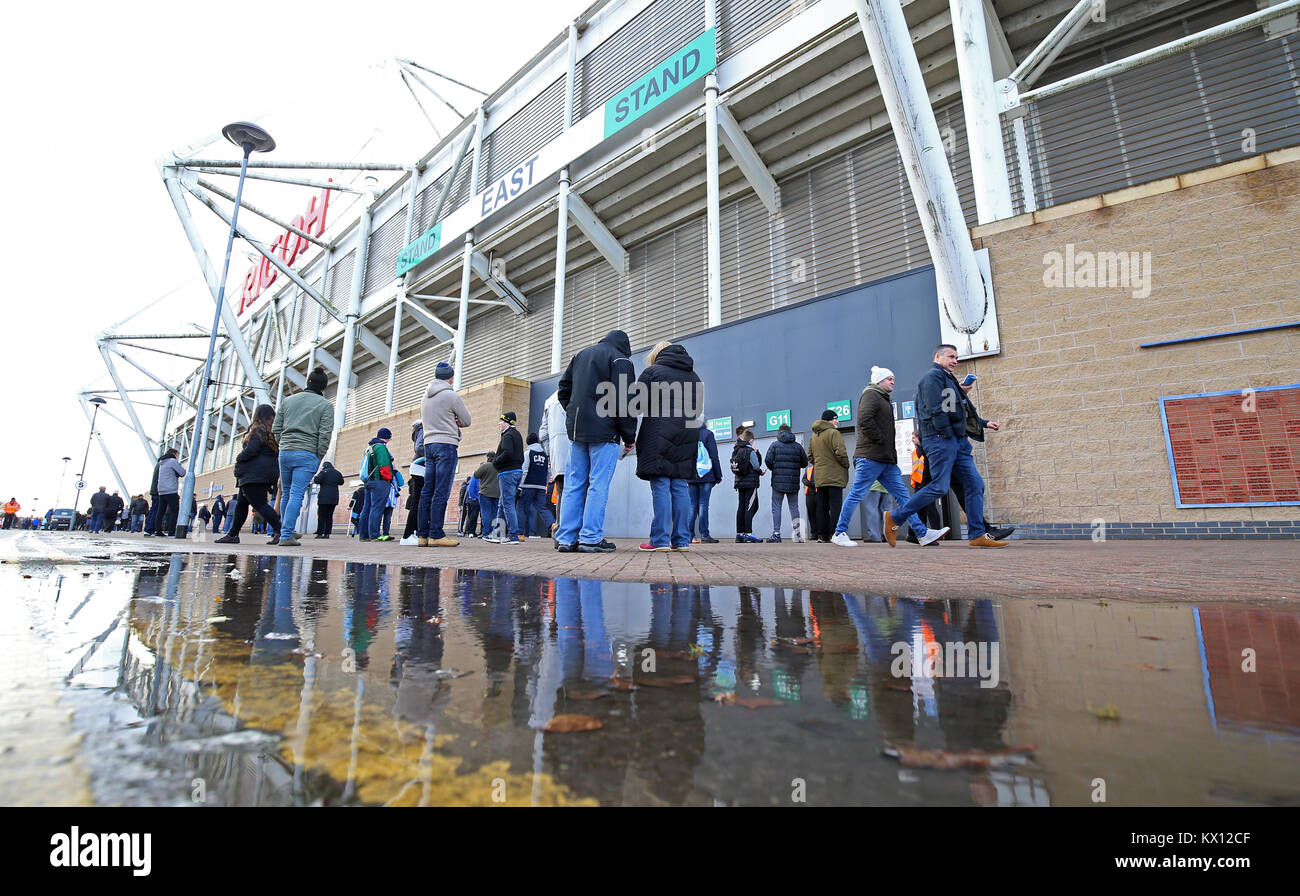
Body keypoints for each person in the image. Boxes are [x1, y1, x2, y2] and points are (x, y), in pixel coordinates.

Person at [888, 345, 1009, 548]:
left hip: (957, 442)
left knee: (975, 485)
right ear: (937, 356)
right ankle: (895, 518)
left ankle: (978, 533)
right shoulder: (932, 378)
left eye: (957, 357)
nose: (955, 360)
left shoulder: (947, 380)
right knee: (939, 486)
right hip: (942, 440)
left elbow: (955, 411)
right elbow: (937, 410)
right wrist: (945, 434)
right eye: (951, 356)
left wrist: (981, 421)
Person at [832, 366, 948, 548]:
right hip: (870, 457)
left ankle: (922, 533)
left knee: (904, 498)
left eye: (894, 379)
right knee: (856, 494)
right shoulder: (871, 394)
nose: (893, 381)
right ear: (879, 381)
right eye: (889, 379)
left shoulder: (883, 398)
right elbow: (865, 421)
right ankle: (839, 533)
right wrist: (882, 440)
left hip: (886, 460)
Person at [554, 330, 637, 554]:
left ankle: (566, 538)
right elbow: (624, 400)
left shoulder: (581, 355)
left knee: (574, 484)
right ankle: (590, 538)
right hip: (605, 431)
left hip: (578, 430)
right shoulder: (621, 360)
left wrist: (573, 413)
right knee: (598, 484)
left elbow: (563, 390)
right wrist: (629, 436)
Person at [634, 341, 702, 552]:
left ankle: (660, 540)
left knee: (661, 485)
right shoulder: (694, 376)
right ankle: (682, 540)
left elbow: (636, 405)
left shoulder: (652, 372)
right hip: (687, 433)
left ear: (656, 354)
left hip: (659, 432)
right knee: (680, 486)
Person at [272, 365, 334, 548]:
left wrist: (283, 444)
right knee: (297, 493)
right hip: (307, 453)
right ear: (323, 387)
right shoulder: (325, 405)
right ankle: (286, 535)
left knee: (286, 493)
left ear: (308, 382)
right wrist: (319, 455)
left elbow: (276, 429)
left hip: (285, 451)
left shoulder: (288, 401)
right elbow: (325, 433)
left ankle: (287, 530)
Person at [418, 361, 472, 548]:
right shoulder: (451, 396)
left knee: (427, 491)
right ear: (450, 377)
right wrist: (454, 420)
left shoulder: (425, 397)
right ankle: (436, 534)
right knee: (441, 491)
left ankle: (422, 535)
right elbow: (466, 420)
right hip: (446, 445)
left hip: (428, 445)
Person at [215, 404, 284, 545]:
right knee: (242, 504)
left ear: (258, 415)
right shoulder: (272, 432)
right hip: (263, 473)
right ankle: (233, 534)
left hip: (253, 474)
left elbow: (252, 450)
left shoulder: (258, 430)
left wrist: (239, 458)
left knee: (260, 505)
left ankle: (281, 532)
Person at [809, 410, 849, 545]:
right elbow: (841, 453)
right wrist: (846, 465)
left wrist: (820, 465)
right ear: (829, 420)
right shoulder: (834, 433)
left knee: (821, 507)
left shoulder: (814, 436)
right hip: (834, 476)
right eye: (835, 419)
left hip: (820, 477)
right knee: (835, 506)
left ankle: (822, 535)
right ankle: (835, 533)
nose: (837, 421)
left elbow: (810, 456)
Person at [764, 424, 808, 543]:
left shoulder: (774, 445)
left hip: (778, 482)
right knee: (794, 507)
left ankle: (777, 534)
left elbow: (767, 461)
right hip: (793, 482)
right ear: (790, 432)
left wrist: (775, 468)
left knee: (776, 507)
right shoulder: (798, 447)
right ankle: (798, 535)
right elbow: (804, 463)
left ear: (779, 432)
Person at [489, 412, 525, 544]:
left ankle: (513, 535)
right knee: (503, 502)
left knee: (508, 504)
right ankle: (497, 534)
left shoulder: (508, 436)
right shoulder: (517, 435)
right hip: (516, 471)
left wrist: (495, 461)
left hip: (508, 472)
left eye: (501, 421)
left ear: (507, 422)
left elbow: (507, 453)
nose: (499, 423)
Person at [538, 389, 570, 528]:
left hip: (558, 455)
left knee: (562, 494)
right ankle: (576, 533)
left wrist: (551, 453)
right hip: (576, 453)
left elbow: (543, 434)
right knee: (580, 493)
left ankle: (559, 532)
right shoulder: (578, 392)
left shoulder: (549, 401)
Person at [359, 427, 396, 542]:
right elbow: (384, 465)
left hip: (369, 482)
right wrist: (388, 478)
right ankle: (374, 535)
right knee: (377, 508)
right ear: (388, 437)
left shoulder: (370, 448)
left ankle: (364, 535)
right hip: (379, 482)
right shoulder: (381, 447)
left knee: (366, 508)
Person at [689, 423, 722, 544]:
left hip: (691, 475)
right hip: (706, 475)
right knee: (703, 505)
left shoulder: (688, 434)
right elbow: (714, 456)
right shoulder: (708, 434)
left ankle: (689, 535)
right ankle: (704, 535)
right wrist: (718, 475)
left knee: (692, 506)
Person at [731, 428, 764, 543]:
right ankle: (748, 533)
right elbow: (756, 465)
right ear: (751, 440)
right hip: (750, 483)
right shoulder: (750, 451)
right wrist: (756, 452)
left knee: (741, 507)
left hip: (739, 482)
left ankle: (739, 534)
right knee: (750, 507)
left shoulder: (736, 449)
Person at [519, 432, 555, 538]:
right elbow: (548, 472)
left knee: (522, 508)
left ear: (527, 442)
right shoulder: (544, 455)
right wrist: (546, 484)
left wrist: (520, 485)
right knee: (542, 508)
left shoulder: (527, 454)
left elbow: (524, 471)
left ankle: (520, 534)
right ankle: (552, 524)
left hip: (528, 486)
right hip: (541, 486)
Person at [399, 422, 426, 545]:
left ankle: (412, 533)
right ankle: (407, 535)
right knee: (417, 502)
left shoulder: (421, 430)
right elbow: (420, 448)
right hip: (420, 467)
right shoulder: (423, 429)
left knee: (419, 502)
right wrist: (434, 450)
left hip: (420, 467)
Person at [154, 449, 186, 536]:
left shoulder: (162, 462)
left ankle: (158, 531)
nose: (177, 456)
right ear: (174, 454)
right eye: (177, 454)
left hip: (161, 490)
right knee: (174, 510)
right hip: (171, 489)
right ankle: (171, 531)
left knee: (161, 511)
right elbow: (182, 472)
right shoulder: (172, 461)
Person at [313, 461, 344, 538]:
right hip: (334, 498)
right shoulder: (338, 473)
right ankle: (327, 534)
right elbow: (341, 482)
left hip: (323, 498)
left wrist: (316, 476)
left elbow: (317, 481)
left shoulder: (323, 472)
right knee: (329, 516)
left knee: (322, 516)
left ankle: (320, 533)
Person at [473, 453, 500, 538]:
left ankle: (485, 533)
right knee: (495, 514)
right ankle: (494, 532)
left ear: (488, 457)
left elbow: (476, 475)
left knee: (486, 514)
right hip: (497, 493)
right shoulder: (499, 467)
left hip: (485, 493)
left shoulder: (485, 466)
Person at [802, 464, 818, 541]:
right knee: (811, 514)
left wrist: (811, 484)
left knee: (820, 514)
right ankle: (814, 533)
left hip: (818, 494)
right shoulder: (809, 469)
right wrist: (809, 483)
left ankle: (821, 533)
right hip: (809, 494)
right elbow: (804, 479)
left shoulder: (821, 469)